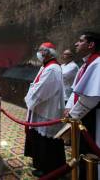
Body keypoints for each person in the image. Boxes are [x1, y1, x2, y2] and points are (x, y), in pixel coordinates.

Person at [24, 42, 66, 177]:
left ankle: (49, 169)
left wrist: (29, 98)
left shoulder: (52, 69)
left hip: (47, 112)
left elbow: (41, 90)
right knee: (42, 141)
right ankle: (45, 165)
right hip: (43, 110)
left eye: (41, 50)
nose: (39, 52)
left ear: (48, 53)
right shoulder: (47, 66)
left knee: (46, 142)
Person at [65, 31, 100, 179]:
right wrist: (68, 107)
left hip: (91, 116)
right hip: (81, 115)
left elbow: (91, 97)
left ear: (91, 45)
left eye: (80, 41)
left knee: (89, 152)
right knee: (80, 151)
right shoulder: (85, 64)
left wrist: (73, 115)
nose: (76, 44)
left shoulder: (97, 64)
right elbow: (76, 89)